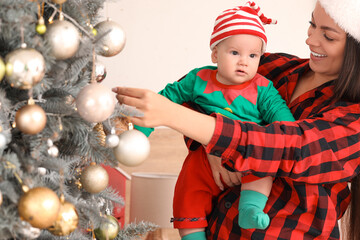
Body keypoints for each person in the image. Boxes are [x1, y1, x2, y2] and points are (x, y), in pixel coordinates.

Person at [112, 0, 360, 239]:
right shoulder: (272, 66)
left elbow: (290, 146)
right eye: (312, 24)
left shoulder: (354, 117)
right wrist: (210, 147)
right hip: (216, 229)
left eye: (328, 36)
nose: (310, 39)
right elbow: (199, 95)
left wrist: (185, 121)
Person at [133, 2, 294, 239]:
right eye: (235, 53)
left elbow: (286, 125)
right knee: (188, 189)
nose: (244, 61)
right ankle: (192, 234)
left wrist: (287, 132)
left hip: (246, 151)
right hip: (204, 158)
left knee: (263, 164)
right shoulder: (198, 79)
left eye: (253, 55)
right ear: (215, 54)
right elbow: (165, 100)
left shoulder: (262, 88)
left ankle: (250, 207)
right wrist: (140, 131)